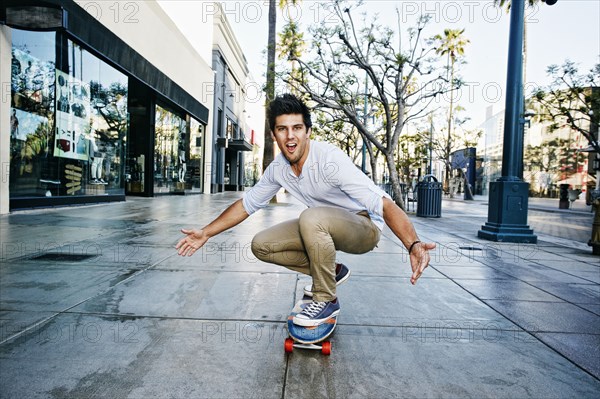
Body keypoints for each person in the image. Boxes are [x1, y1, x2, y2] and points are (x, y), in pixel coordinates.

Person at [176, 94, 435, 327]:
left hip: (364, 227)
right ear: (274, 135)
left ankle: (326, 299)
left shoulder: (329, 160)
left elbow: (384, 204)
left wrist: (413, 245)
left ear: (308, 131)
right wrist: (206, 233)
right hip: (324, 224)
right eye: (282, 129)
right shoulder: (278, 168)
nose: (290, 136)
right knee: (262, 244)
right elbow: (247, 204)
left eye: (297, 128)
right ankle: (331, 271)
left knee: (311, 217)